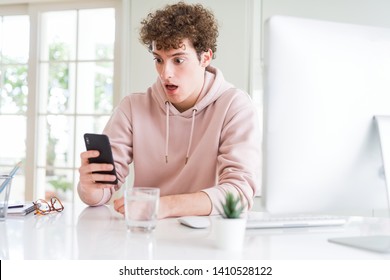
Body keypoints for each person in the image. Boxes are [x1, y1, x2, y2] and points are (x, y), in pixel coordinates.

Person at [78, 1, 261, 219]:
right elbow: (100, 193)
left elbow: (239, 194)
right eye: (159, 60)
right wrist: (90, 188)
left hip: (205, 240)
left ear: (205, 57)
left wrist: (164, 206)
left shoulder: (235, 106)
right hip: (145, 234)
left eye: (178, 60)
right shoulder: (132, 108)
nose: (166, 74)